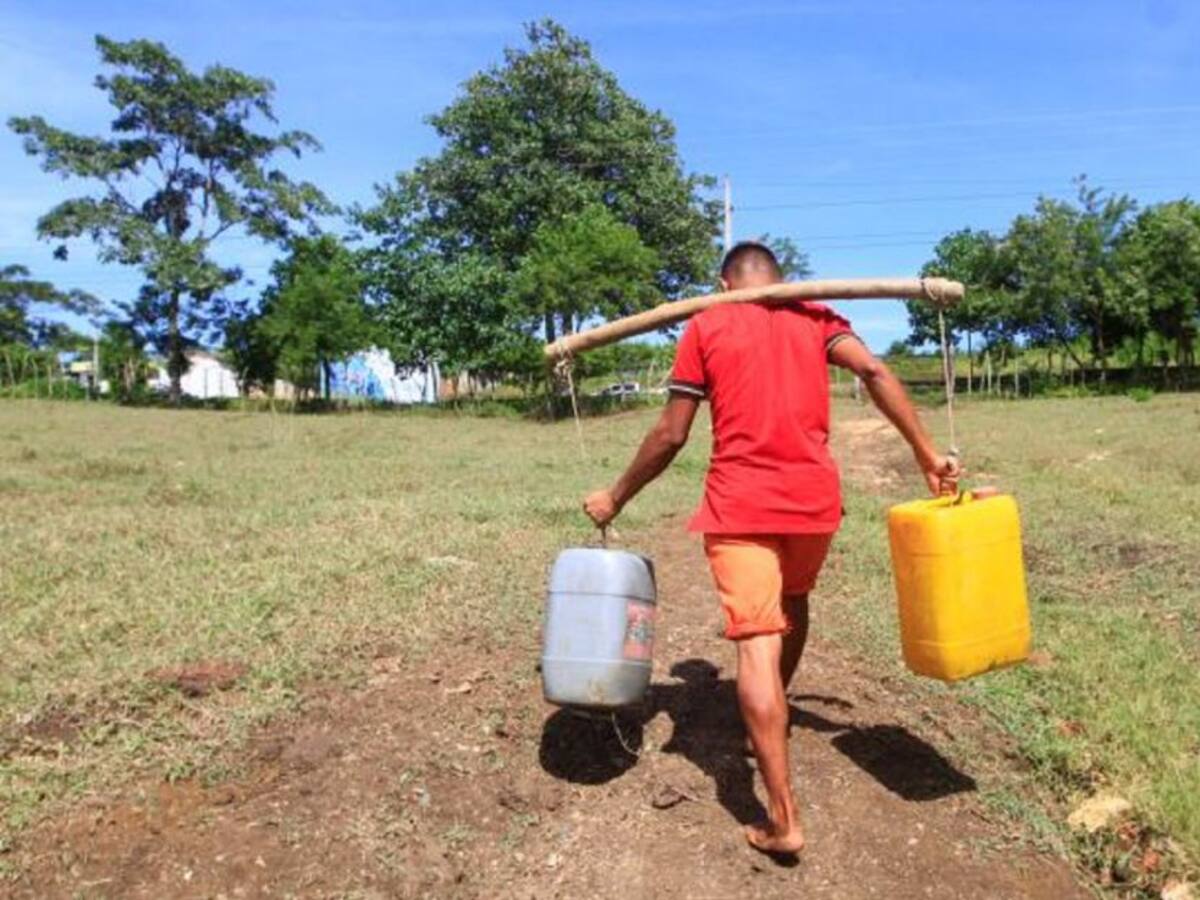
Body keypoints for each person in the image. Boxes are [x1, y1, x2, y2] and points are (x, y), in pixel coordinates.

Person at [582, 241, 960, 857]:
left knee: (758, 642)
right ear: (779, 281)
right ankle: (772, 713)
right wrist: (925, 453)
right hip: (814, 506)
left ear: (722, 283)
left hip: (742, 506)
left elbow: (672, 432)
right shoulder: (816, 317)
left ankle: (782, 818)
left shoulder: (708, 323)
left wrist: (615, 496)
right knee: (796, 600)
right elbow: (874, 371)